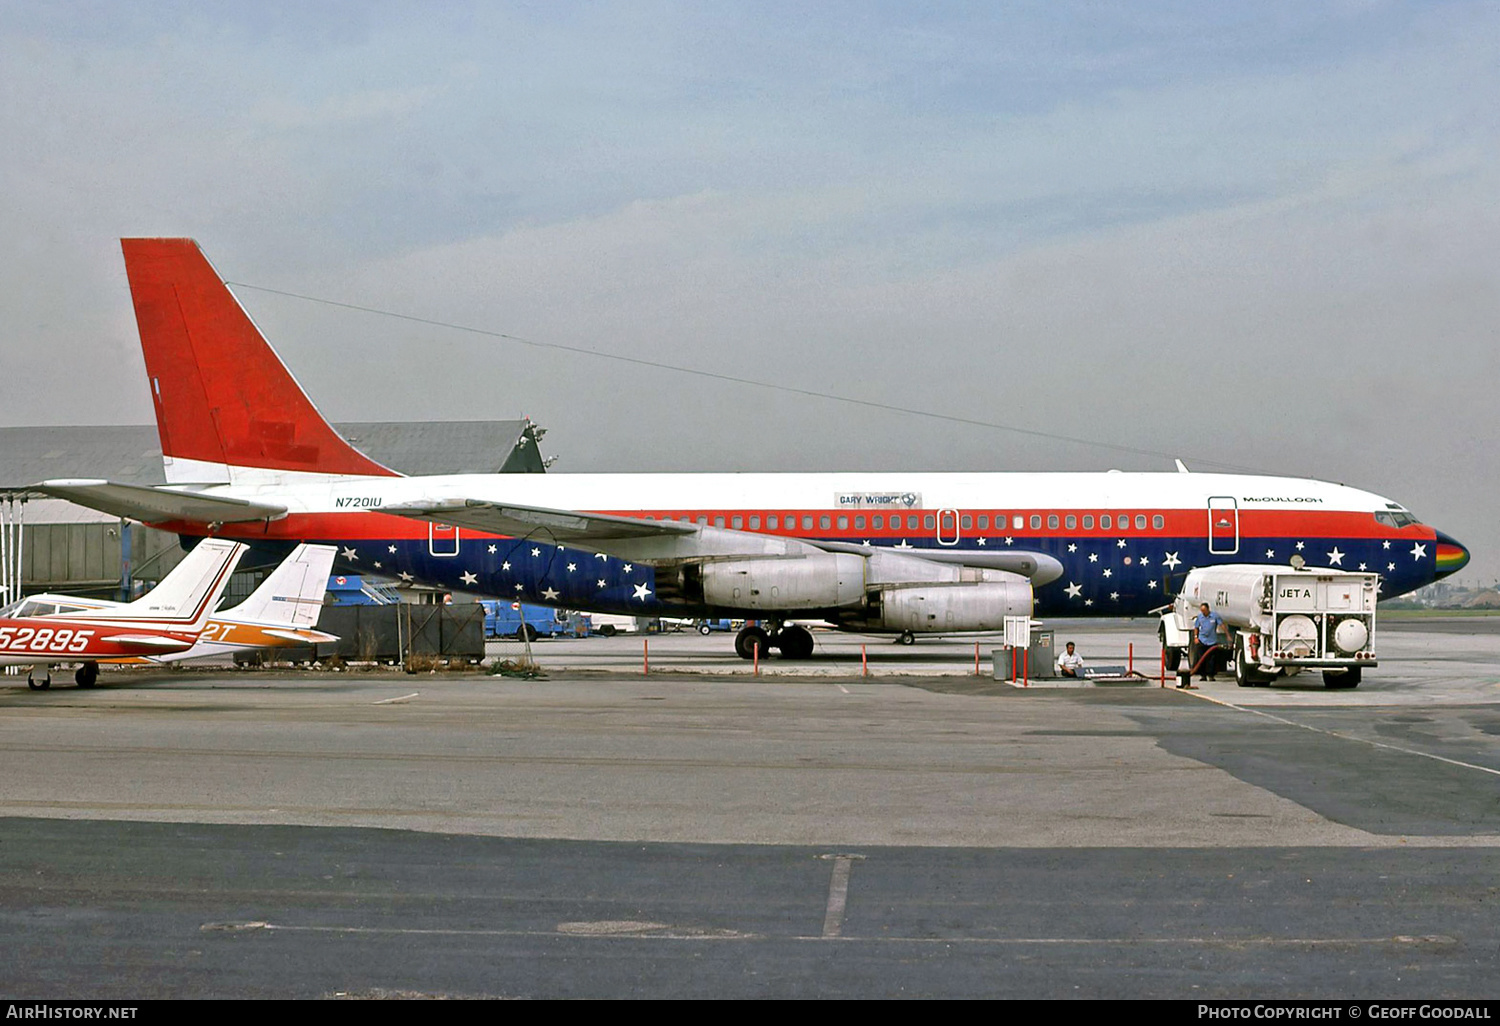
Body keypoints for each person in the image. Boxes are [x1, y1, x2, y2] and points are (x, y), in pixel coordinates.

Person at [1188, 602, 1224, 686]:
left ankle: (1211, 675)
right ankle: (1203, 675)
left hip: (1212, 641)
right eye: (1201, 611)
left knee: (1211, 659)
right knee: (1201, 658)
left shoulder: (1214, 616)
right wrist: (1196, 638)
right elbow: (1196, 627)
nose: (1203, 613)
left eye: (1204, 611)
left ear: (1208, 609)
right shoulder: (1200, 617)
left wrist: (1228, 635)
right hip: (1202, 640)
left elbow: (1222, 625)